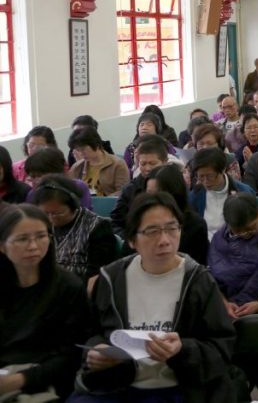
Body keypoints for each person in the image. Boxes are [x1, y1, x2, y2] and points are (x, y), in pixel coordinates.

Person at [71, 192, 236, 403]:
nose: (164, 240)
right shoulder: (112, 279)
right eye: (152, 231)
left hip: (178, 388)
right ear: (132, 240)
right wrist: (97, 350)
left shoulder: (198, 281)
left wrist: (182, 350)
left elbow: (222, 349)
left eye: (171, 228)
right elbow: (91, 333)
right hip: (116, 385)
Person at [0, 204, 91, 400]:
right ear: (2, 246)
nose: (33, 246)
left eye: (41, 236)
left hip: (44, 380)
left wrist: (18, 380)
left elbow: (72, 354)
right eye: (22, 239)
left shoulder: (68, 287)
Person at [30, 175, 117, 279]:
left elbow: (99, 271)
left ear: (74, 206)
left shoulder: (97, 226)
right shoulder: (39, 226)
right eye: (45, 213)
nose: (51, 218)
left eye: (58, 213)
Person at [146, 165, 209, 265]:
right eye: (149, 194)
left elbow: (197, 267)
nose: (152, 199)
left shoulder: (195, 225)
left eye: (159, 194)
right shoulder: (141, 221)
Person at [188, 147, 255, 240]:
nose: (205, 181)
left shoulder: (243, 192)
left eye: (210, 176)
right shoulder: (195, 195)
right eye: (201, 177)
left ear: (223, 170)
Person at [68, 127, 130, 196]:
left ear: (96, 145)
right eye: (78, 150)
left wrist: (102, 201)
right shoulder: (77, 167)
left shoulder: (117, 164)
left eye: (83, 149)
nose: (81, 153)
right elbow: (71, 192)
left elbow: (123, 192)